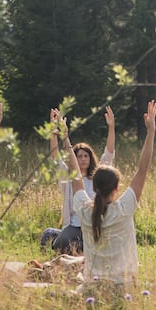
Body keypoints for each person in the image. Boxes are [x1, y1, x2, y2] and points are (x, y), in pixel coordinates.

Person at [66, 100, 156, 293]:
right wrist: (150, 132)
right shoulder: (124, 208)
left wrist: (66, 141)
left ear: (95, 186)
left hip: (91, 288)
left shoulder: (83, 209)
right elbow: (143, 169)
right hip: (123, 289)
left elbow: (75, 175)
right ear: (117, 188)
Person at [40, 105, 116, 254]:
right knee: (55, 239)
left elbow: (109, 154)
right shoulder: (68, 178)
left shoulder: (98, 177)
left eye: (85, 156)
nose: (82, 159)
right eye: (79, 156)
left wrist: (111, 127)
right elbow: (55, 157)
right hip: (73, 226)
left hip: (92, 225)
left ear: (90, 157)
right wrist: (54, 133)